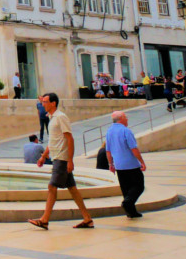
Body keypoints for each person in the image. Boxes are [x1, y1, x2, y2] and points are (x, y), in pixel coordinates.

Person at [27, 92, 95, 230]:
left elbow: (69, 138)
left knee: (52, 187)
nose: (43, 104)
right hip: (57, 157)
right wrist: (44, 156)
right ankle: (87, 219)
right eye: (42, 102)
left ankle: (44, 220)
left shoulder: (61, 117)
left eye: (45, 102)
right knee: (73, 189)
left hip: (62, 159)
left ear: (53, 103)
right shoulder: (52, 119)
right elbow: (53, 141)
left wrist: (70, 160)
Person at [106, 110, 146, 218]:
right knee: (139, 185)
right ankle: (128, 203)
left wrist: (111, 164)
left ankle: (131, 212)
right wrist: (141, 162)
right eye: (126, 117)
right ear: (121, 119)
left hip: (119, 166)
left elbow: (108, 150)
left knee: (126, 189)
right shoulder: (126, 131)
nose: (127, 119)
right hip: (131, 164)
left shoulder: (109, 131)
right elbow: (133, 148)